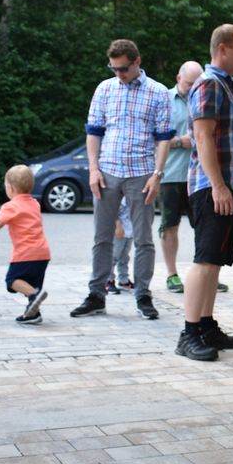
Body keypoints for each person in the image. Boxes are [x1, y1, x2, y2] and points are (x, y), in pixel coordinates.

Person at [71, 38, 173, 321]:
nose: (119, 74)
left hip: (141, 171)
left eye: (123, 69)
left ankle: (142, 294)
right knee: (102, 237)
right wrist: (93, 169)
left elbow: (164, 137)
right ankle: (96, 295)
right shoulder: (104, 89)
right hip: (107, 171)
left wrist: (157, 174)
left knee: (143, 238)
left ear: (137, 62)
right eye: (114, 68)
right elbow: (94, 131)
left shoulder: (158, 92)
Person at [175, 24, 233, 360]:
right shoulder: (208, 83)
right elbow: (202, 137)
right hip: (212, 187)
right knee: (205, 261)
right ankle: (189, 333)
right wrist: (218, 185)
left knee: (216, 261)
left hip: (227, 185)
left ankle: (205, 325)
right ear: (222, 49)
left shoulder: (224, 85)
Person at [160, 61, 228, 294]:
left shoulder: (206, 95)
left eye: (196, 82)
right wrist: (181, 142)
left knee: (204, 226)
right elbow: (155, 138)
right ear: (178, 78)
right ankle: (171, 274)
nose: (193, 87)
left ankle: (205, 272)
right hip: (172, 174)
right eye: (189, 83)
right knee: (170, 226)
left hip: (200, 176)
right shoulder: (164, 101)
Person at [0, 165, 50, 324]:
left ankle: (35, 296)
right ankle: (33, 314)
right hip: (43, 253)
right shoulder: (34, 203)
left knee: (12, 281)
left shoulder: (11, 206)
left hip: (26, 253)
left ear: (10, 188)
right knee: (31, 284)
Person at [107, 197, 133, 293]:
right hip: (119, 230)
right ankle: (108, 280)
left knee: (124, 256)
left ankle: (123, 280)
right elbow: (112, 210)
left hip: (130, 230)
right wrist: (117, 225)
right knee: (113, 256)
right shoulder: (121, 195)